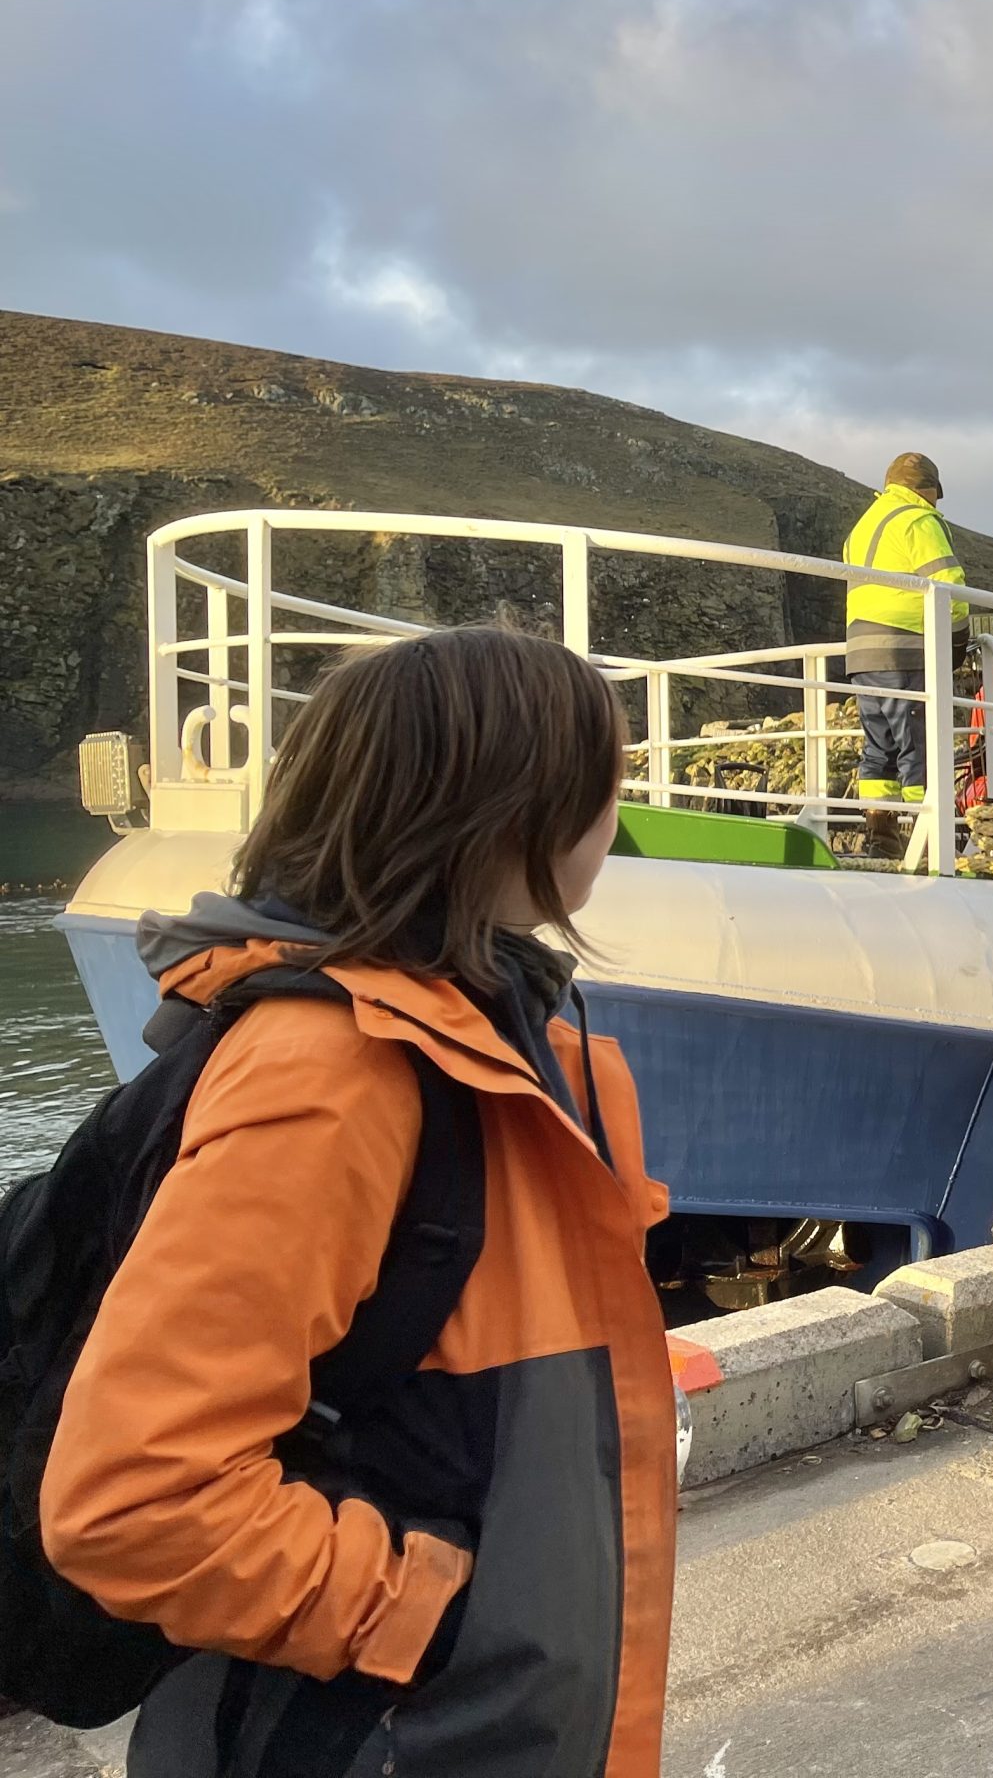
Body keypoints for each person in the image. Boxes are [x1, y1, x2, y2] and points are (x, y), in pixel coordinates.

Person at [41, 627, 676, 1776]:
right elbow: (134, 1495)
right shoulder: (332, 1073)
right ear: (503, 809)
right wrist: (431, 1626)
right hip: (369, 1734)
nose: (611, 822)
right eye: (599, 786)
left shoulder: (479, 1035)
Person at [843, 451, 967, 855]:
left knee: (879, 749)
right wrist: (958, 641)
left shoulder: (863, 526)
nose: (936, 503)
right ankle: (930, 846)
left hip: (862, 655)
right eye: (936, 494)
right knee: (918, 746)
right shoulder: (919, 520)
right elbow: (950, 586)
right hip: (906, 648)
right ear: (926, 489)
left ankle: (882, 839)